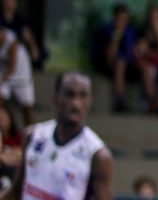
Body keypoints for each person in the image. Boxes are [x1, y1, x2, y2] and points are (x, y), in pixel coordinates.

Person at [0, 72, 113, 200]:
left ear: (90, 101)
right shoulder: (33, 135)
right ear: (56, 98)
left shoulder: (98, 155)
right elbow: (17, 189)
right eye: (70, 95)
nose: (76, 103)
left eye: (83, 96)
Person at [94, 4, 140, 112]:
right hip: (110, 64)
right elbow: (110, 55)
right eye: (120, 19)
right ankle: (119, 99)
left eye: (125, 19)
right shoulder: (107, 31)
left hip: (131, 64)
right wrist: (117, 33)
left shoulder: (131, 32)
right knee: (120, 62)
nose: (123, 22)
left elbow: (134, 51)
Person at [0, 27, 34, 128]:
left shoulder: (11, 40)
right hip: (4, 74)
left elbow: (12, 66)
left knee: (26, 108)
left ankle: (31, 132)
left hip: (21, 75)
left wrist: (2, 80)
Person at [0, 0, 41, 71]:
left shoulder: (20, 19)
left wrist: (33, 48)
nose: (9, 3)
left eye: (11, 0)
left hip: (15, 56)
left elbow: (27, 35)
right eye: (7, 0)